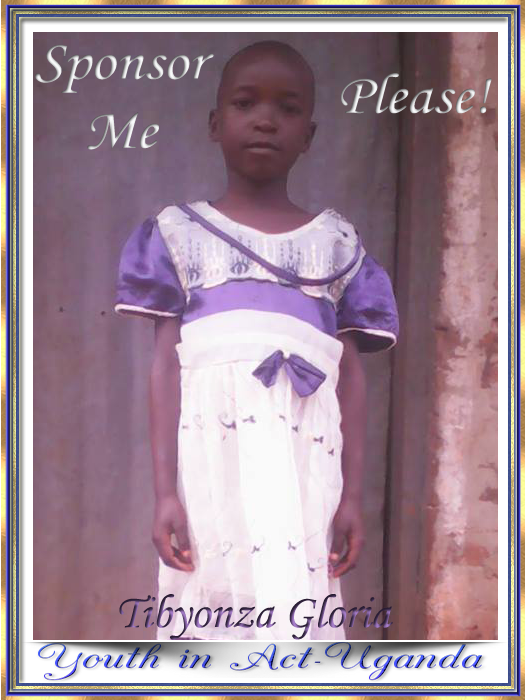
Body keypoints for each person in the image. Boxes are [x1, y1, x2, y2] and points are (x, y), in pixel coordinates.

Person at [115, 40, 398, 640]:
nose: (265, 120)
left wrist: (351, 498)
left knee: (295, 607)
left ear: (309, 134)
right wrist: (165, 494)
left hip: (304, 468)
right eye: (246, 103)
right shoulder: (179, 235)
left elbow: (350, 377)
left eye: (287, 108)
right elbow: (165, 368)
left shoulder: (335, 245)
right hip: (213, 461)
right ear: (215, 123)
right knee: (212, 599)